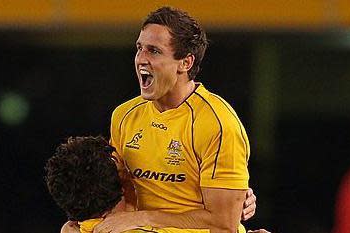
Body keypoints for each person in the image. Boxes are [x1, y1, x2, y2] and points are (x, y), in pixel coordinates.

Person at [92, 6, 256, 233]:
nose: (141, 59)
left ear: (185, 63)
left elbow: (223, 223)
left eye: (154, 51)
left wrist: (142, 218)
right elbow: (117, 195)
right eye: (139, 48)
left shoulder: (217, 123)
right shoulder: (124, 115)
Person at [47, 136, 269, 233]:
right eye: (125, 164)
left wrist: (230, 194)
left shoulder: (78, 228)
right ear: (125, 182)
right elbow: (223, 224)